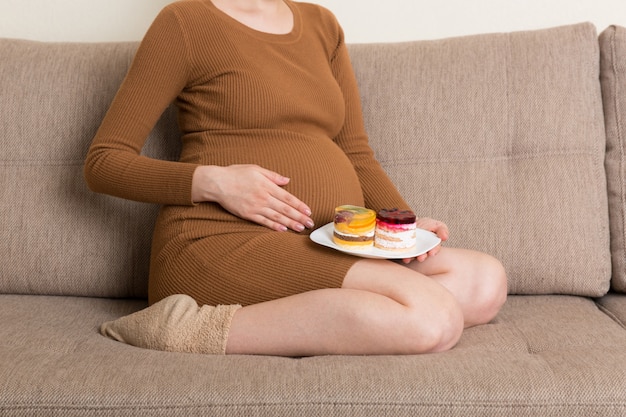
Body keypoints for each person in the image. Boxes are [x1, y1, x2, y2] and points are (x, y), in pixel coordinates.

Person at [84, 0, 507, 357]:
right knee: (432, 317)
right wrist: (215, 182)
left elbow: (355, 151)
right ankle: (181, 328)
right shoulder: (186, 22)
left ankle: (342, 312)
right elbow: (103, 163)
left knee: (484, 282)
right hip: (218, 241)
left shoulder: (322, 25)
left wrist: (403, 229)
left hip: (324, 238)